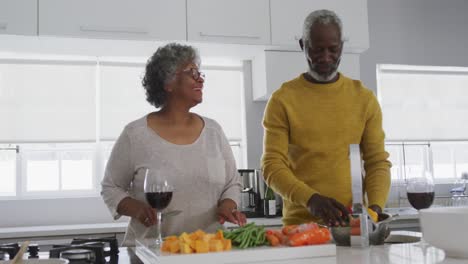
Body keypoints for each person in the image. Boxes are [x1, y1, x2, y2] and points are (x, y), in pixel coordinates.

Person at [101, 43, 246, 246]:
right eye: (191, 72)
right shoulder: (135, 135)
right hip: (151, 252)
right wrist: (137, 209)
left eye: (200, 72)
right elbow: (111, 187)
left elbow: (232, 183)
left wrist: (227, 205)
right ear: (168, 83)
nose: (200, 78)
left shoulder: (213, 131)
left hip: (207, 250)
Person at [261, 10, 391, 227]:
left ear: (342, 46)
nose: (326, 57)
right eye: (317, 49)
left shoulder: (364, 99)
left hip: (354, 225)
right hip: (300, 227)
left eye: (333, 49)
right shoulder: (282, 100)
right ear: (303, 45)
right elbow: (272, 165)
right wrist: (311, 199)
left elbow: (377, 161)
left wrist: (375, 209)